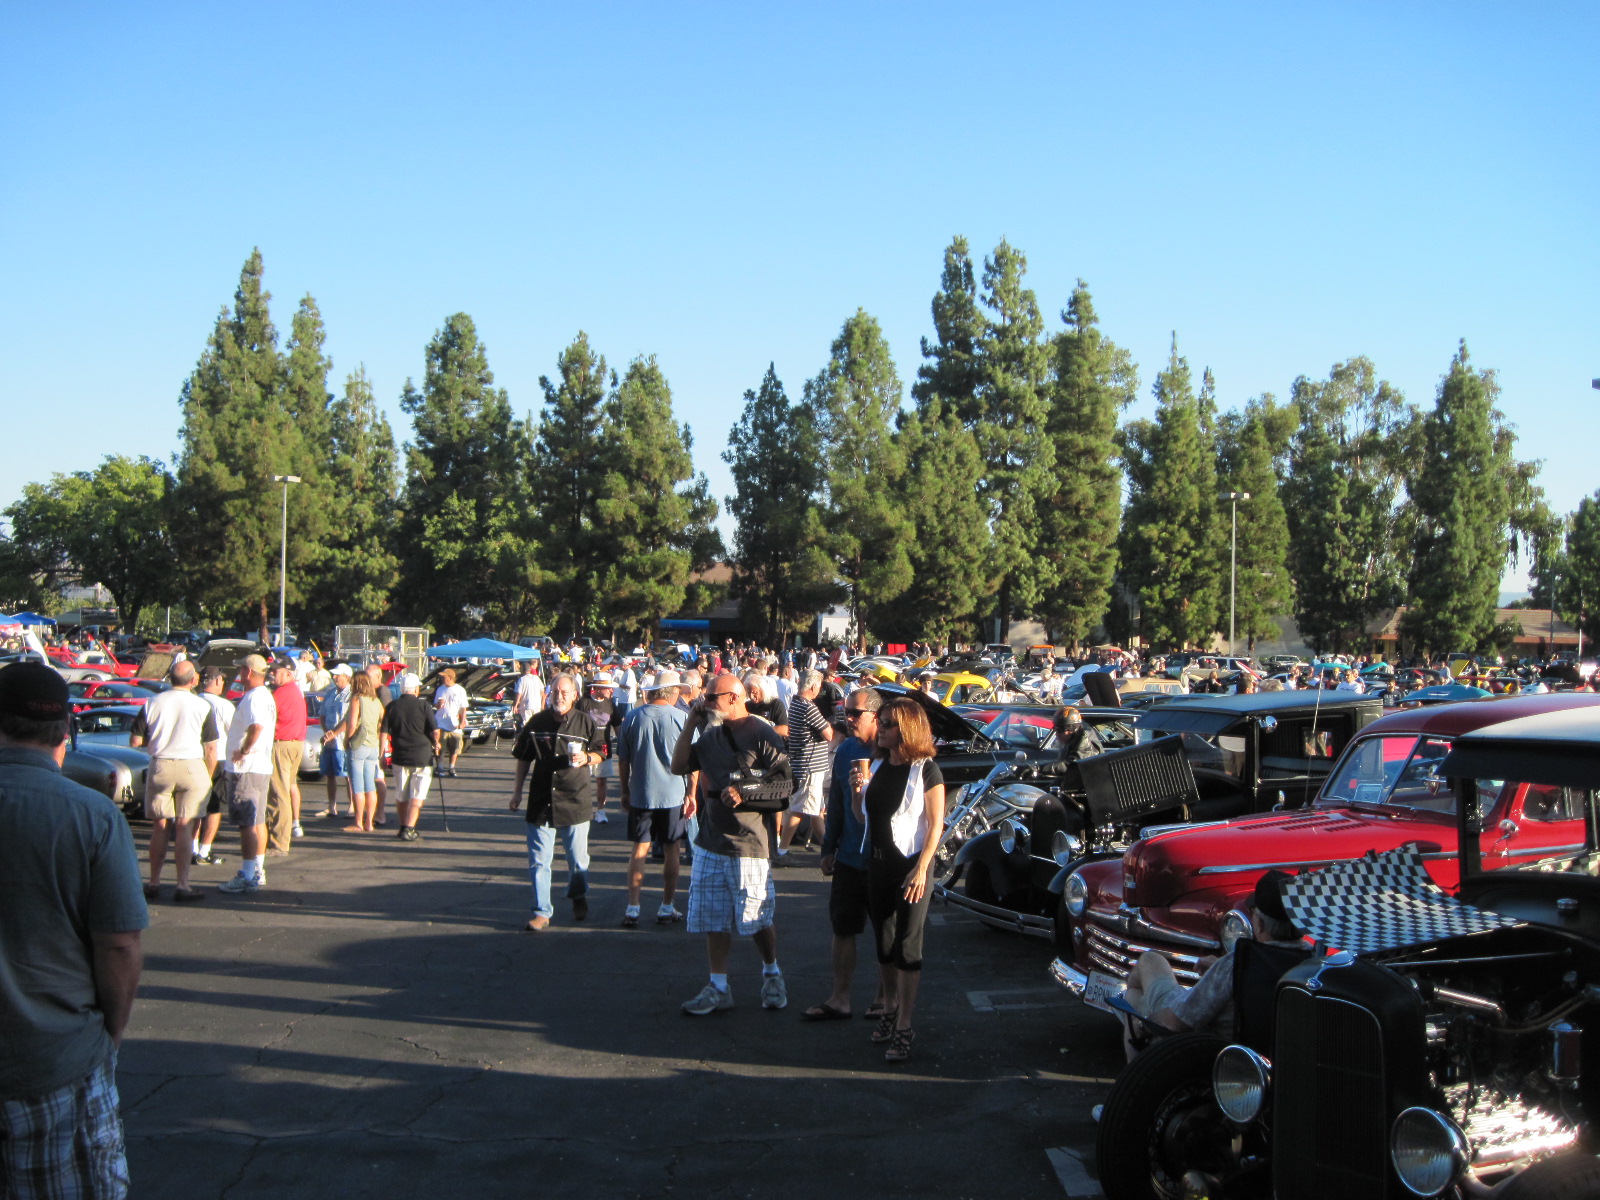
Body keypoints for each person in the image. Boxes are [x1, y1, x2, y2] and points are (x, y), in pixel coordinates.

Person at [0, 661, 148, 1199]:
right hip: (57, 1058)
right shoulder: (91, 815)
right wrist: (112, 1030)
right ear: (65, 731)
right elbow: (120, 943)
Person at [671, 674, 791, 1015]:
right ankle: (718, 985)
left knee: (757, 918)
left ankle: (771, 973)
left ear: (735, 698)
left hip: (749, 844)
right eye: (704, 698)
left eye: (711, 698)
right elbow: (678, 765)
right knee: (712, 918)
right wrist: (691, 723)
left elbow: (785, 784)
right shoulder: (710, 734)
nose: (704, 702)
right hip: (710, 840)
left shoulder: (761, 733)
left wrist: (747, 791)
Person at [854, 697, 946, 1062]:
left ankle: (905, 1022)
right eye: (883, 722)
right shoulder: (877, 764)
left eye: (890, 723)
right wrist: (855, 792)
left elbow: (936, 825)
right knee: (883, 940)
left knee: (908, 944)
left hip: (910, 866)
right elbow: (865, 820)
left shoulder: (925, 769)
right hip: (878, 864)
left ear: (907, 728)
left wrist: (922, 867)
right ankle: (890, 1005)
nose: (884, 728)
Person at [1120, 870, 1305, 1047]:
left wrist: (1144, 1026)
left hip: (1206, 1049)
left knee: (1149, 965)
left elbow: (1176, 1022)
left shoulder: (1239, 964)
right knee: (1134, 998)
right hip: (1266, 1057)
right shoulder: (1311, 965)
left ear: (1261, 924)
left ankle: (1136, 1071)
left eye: (1252, 911)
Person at [803, 686, 889, 1022]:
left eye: (855, 713)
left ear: (876, 716)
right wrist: (829, 846)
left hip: (883, 859)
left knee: (886, 933)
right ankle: (840, 998)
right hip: (850, 858)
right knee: (843, 928)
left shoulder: (892, 751)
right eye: (845, 713)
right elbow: (836, 803)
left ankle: (885, 998)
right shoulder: (846, 750)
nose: (848, 719)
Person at [509, 674, 604, 931]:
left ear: (575, 695)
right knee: (539, 861)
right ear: (548, 694)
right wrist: (517, 792)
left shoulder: (585, 723)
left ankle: (578, 895)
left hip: (575, 798)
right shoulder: (536, 722)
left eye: (564, 692)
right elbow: (523, 758)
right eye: (555, 692)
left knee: (578, 859)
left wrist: (587, 758)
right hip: (541, 799)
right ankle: (542, 912)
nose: (559, 696)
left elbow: (602, 751)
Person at [128, 659, 220, 902]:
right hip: (191, 765)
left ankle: (154, 881)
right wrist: (208, 776)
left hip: (161, 764)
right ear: (193, 680)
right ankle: (182, 884)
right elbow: (211, 749)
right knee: (184, 825)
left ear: (170, 678)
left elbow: (135, 741)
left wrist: (157, 743)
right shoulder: (201, 706)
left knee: (159, 826)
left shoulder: (152, 702)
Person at [615, 670, 689, 928]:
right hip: (673, 794)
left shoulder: (633, 717)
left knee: (640, 848)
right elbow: (693, 762)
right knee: (672, 849)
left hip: (642, 792)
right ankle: (666, 905)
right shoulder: (682, 718)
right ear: (672, 692)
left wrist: (624, 789)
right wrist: (692, 794)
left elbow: (623, 759)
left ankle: (633, 906)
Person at [219, 654, 277, 893]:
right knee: (257, 820)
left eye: (241, 669)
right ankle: (257, 869)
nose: (239, 674)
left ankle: (247, 873)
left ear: (249, 672)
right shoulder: (264, 696)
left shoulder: (255, 697)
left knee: (247, 822)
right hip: (259, 766)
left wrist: (243, 750)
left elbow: (257, 726)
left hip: (248, 768)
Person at [777, 669, 833, 860]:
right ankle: (782, 850)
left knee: (816, 810)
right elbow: (829, 734)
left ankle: (827, 848)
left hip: (803, 764)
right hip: (809, 767)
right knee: (799, 809)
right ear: (814, 686)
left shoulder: (795, 703)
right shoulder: (809, 707)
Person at [380, 672, 440, 842]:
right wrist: (436, 743)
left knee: (401, 794)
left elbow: (384, 732)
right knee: (417, 794)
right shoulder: (424, 706)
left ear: (401, 689)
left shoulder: (392, 706)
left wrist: (382, 755)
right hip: (421, 755)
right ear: (416, 689)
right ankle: (409, 827)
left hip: (400, 756)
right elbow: (434, 730)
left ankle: (402, 826)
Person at [192, 665, 234, 867]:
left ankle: (191, 847)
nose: (223, 684)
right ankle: (204, 850)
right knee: (214, 807)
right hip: (217, 759)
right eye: (222, 680)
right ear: (216, 681)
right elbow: (234, 732)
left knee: (193, 806)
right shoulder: (223, 705)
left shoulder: (193, 702)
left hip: (193, 758)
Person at [266, 658, 307, 852]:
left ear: (288, 674)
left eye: (276, 671)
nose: (272, 674)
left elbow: (268, 718)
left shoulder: (282, 692)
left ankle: (279, 841)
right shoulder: (295, 691)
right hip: (295, 743)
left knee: (278, 793)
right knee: (287, 788)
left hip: (282, 744)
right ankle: (284, 834)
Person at [339, 671, 385, 833]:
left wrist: (347, 741)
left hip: (359, 745)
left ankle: (358, 822)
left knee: (357, 786)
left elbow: (351, 724)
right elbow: (382, 721)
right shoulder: (375, 701)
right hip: (373, 745)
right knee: (370, 786)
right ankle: (369, 823)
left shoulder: (357, 699)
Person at [578, 672, 618, 824]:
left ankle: (600, 810)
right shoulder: (583, 703)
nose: (610, 690)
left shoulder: (610, 704)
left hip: (604, 749)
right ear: (597, 687)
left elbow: (618, 726)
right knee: (583, 781)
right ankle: (583, 810)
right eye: (607, 687)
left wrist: (623, 745)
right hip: (585, 749)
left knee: (602, 781)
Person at [317, 664, 354, 818]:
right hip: (330, 741)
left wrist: (335, 733)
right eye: (334, 675)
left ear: (347, 677)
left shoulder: (351, 695)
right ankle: (332, 806)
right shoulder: (331, 693)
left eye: (338, 675)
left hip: (343, 741)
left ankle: (352, 806)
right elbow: (322, 715)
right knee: (329, 773)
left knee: (348, 774)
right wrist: (327, 733)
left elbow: (349, 719)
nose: (335, 677)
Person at [364, 664, 391, 826]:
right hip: (368, 740)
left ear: (378, 677)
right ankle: (370, 812)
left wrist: (383, 747)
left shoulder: (383, 692)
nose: (366, 679)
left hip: (378, 740)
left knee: (378, 777)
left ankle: (380, 813)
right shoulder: (368, 693)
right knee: (369, 778)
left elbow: (385, 720)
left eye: (369, 676)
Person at [433, 667, 469, 777]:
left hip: (454, 723)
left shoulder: (460, 690)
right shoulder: (440, 689)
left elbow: (463, 707)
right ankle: (439, 767)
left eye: (444, 677)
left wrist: (463, 720)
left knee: (455, 748)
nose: (442, 679)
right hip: (441, 722)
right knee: (441, 746)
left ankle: (452, 767)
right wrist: (438, 705)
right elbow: (435, 704)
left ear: (450, 677)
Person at [512, 658, 544, 734]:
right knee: (536, 724)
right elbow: (543, 692)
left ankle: (527, 740)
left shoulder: (522, 679)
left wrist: (515, 705)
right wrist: (542, 705)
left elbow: (519, 694)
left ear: (523, 670)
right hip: (537, 706)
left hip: (527, 706)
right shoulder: (537, 678)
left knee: (526, 725)